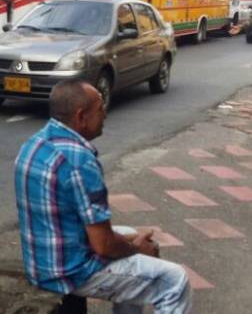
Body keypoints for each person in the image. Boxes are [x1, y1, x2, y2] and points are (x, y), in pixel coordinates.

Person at [14, 79, 192, 314]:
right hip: (68, 272)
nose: (105, 114)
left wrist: (132, 242)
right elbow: (104, 245)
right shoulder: (79, 161)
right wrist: (139, 249)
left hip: (41, 260)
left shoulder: (36, 143)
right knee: (175, 281)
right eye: (100, 108)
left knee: (129, 233)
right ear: (81, 116)